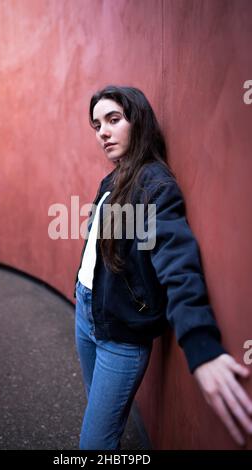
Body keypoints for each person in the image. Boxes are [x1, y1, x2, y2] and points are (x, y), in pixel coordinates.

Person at [73, 85, 252, 450]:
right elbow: (98, 247)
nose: (103, 132)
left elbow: (178, 265)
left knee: (93, 443)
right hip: (88, 315)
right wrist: (81, 287)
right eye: (96, 125)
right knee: (100, 416)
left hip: (120, 337)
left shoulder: (155, 186)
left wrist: (202, 347)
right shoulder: (112, 179)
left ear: (137, 121)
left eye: (113, 119)